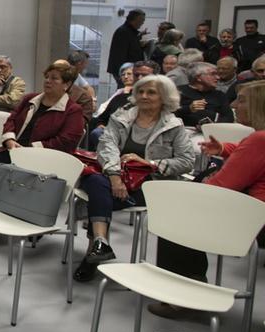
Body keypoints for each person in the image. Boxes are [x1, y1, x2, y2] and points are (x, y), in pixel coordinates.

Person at [150, 81, 265, 318]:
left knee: (175, 213)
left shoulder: (259, 140)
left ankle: (181, 295)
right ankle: (190, 281)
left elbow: (221, 187)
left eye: (241, 100)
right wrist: (224, 149)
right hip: (256, 212)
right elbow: (248, 153)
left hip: (254, 219)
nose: (234, 104)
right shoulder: (257, 139)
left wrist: (193, 189)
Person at [73, 75, 195, 282]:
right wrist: (114, 177)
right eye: (140, 91)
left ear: (164, 97)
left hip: (149, 185)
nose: (144, 96)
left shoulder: (174, 126)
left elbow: (186, 161)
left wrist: (151, 164)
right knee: (95, 181)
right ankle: (100, 242)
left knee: (97, 194)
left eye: (151, 92)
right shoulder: (121, 117)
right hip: (113, 179)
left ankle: (94, 253)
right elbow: (106, 147)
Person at [0, 61, 85, 183]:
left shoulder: (73, 110)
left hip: (45, 159)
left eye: (54, 78)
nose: (47, 81)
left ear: (66, 84)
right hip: (14, 151)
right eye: (46, 77)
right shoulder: (29, 99)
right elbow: (11, 120)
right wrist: (9, 140)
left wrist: (32, 148)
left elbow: (66, 141)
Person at [89, 62, 135, 149]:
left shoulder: (136, 95)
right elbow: (103, 113)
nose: (125, 77)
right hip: (109, 127)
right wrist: (101, 124)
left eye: (129, 74)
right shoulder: (118, 94)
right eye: (123, 74)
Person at [176, 62, 234, 127]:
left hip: (214, 130)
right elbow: (169, 114)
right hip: (185, 130)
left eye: (217, 74)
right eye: (213, 74)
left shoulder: (219, 95)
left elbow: (229, 118)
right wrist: (189, 108)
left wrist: (212, 123)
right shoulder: (179, 92)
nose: (218, 77)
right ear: (198, 77)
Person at [107, 9, 146, 85]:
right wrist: (124, 71)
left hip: (127, 69)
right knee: (124, 91)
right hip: (124, 70)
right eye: (142, 20)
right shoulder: (123, 32)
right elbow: (120, 54)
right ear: (136, 19)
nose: (143, 23)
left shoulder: (129, 31)